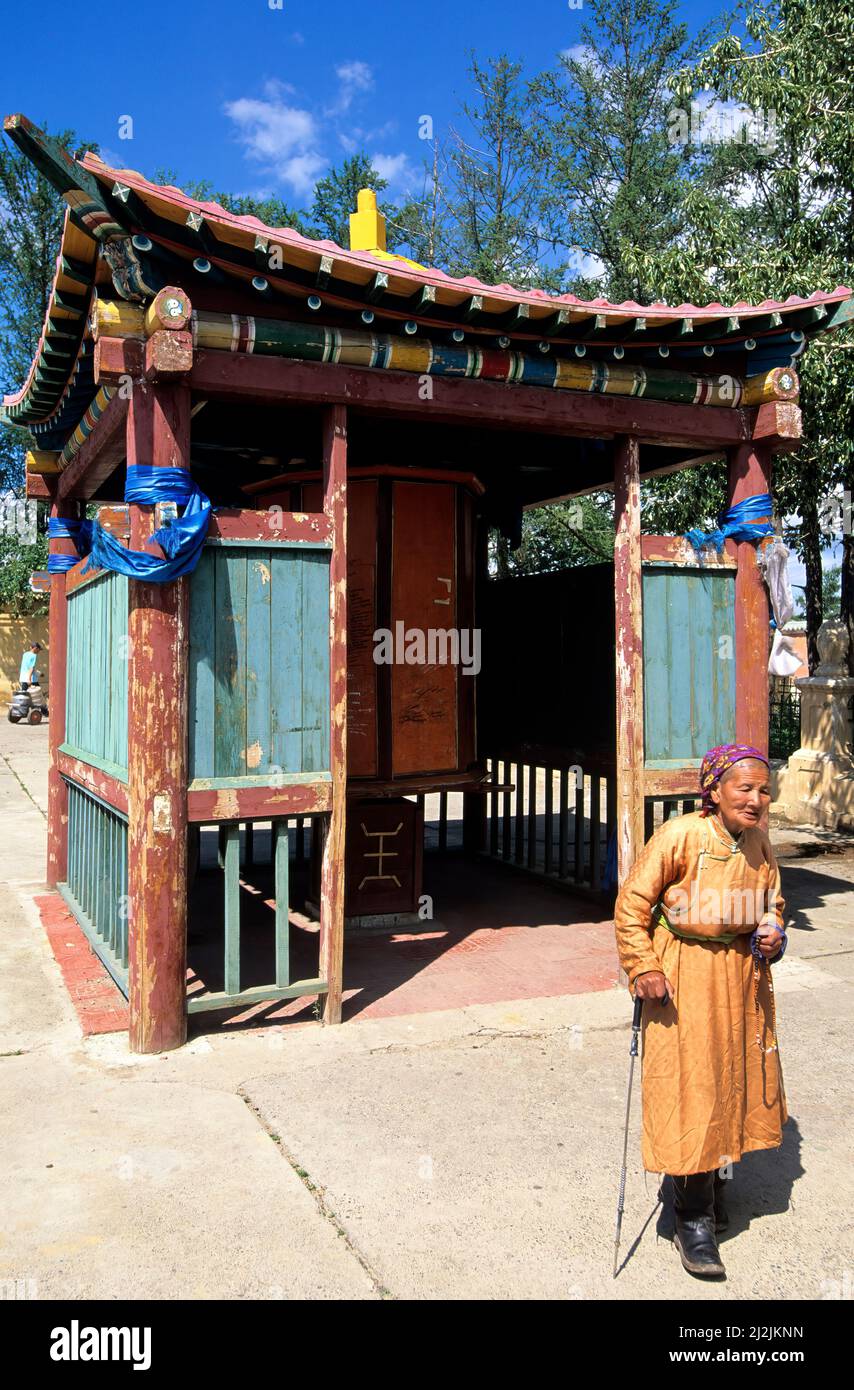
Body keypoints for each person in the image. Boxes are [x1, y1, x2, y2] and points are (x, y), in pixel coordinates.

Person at [613, 744, 788, 1279]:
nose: (756, 800)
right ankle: (692, 1218)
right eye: (745, 788)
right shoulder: (680, 835)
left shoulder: (758, 841)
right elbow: (632, 905)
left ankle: (708, 1184)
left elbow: (774, 900)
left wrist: (774, 930)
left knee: (733, 1078)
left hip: (741, 976)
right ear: (714, 791)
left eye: (763, 789)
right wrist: (642, 965)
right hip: (683, 974)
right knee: (693, 1086)